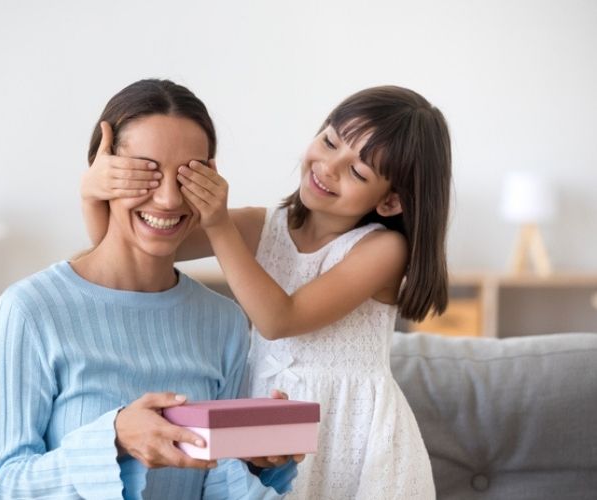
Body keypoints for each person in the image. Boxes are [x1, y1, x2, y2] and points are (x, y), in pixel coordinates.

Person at [82, 85, 451, 499]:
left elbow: (279, 320)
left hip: (349, 433)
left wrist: (220, 224)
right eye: (329, 142)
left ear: (391, 202)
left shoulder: (383, 249)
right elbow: (125, 248)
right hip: (267, 435)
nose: (328, 167)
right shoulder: (262, 227)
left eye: (357, 172)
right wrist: (92, 190)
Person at [0, 79, 298, 500]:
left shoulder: (222, 320)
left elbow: (217, 483)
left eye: (188, 175)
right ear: (104, 173)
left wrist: (258, 462)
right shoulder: (30, 310)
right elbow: (9, 486)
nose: (169, 199)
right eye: (145, 172)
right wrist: (114, 438)